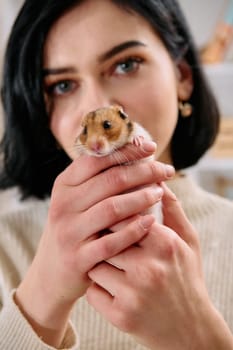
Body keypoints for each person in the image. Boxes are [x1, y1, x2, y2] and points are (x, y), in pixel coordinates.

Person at [0, 0, 233, 349]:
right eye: (62, 86)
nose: (96, 104)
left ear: (182, 76)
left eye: (126, 64)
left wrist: (199, 337)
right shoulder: (5, 244)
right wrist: (41, 297)